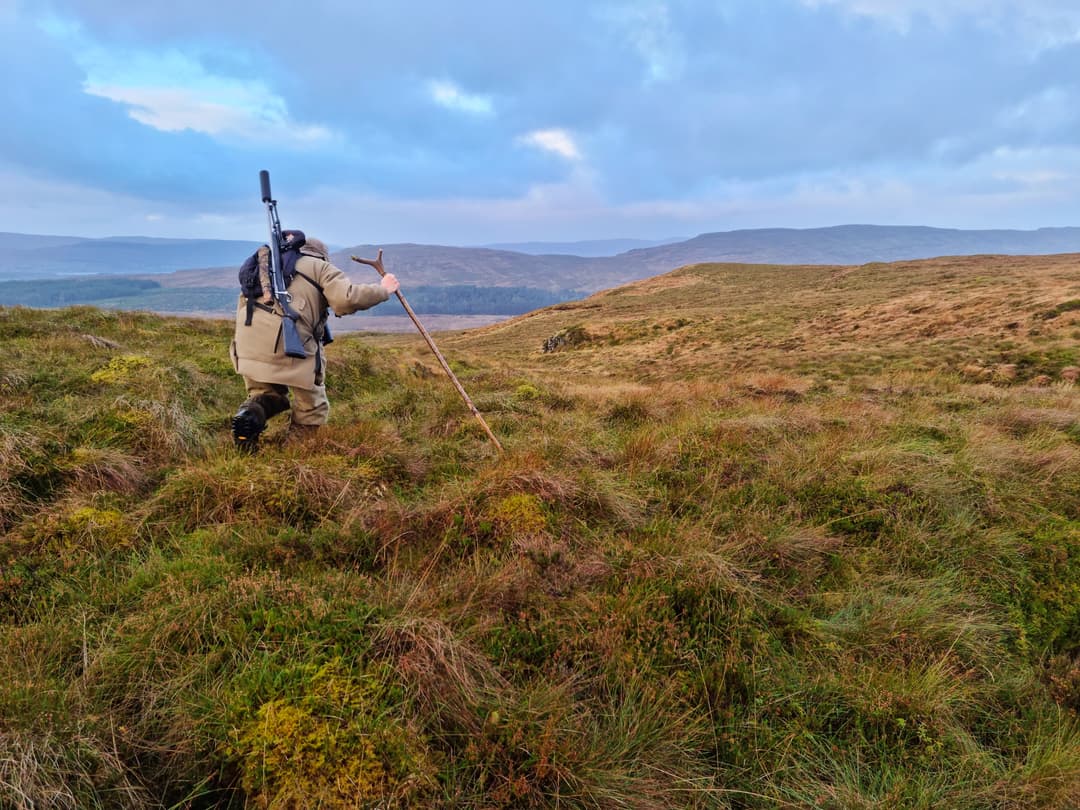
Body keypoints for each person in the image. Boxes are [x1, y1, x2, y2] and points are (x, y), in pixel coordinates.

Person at [229, 236, 398, 450]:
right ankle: (296, 455)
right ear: (321, 255)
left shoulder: (266, 266)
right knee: (312, 406)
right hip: (288, 345)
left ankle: (247, 420)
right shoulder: (319, 268)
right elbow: (346, 299)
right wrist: (383, 289)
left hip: (247, 344)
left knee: (266, 395)